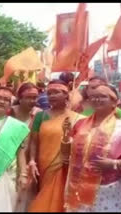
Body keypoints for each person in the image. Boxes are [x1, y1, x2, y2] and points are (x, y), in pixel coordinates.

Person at [63, 84, 121, 212]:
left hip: (108, 191)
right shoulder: (79, 125)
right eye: (93, 97)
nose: (96, 99)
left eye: (102, 96)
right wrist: (65, 134)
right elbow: (66, 155)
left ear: (114, 102)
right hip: (78, 189)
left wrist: (115, 163)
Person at [28, 80, 84, 212]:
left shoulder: (78, 119)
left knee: (63, 197)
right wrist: (31, 160)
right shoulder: (40, 116)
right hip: (44, 165)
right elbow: (34, 142)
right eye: (49, 93)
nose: (51, 96)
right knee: (44, 195)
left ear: (66, 95)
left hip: (67, 165)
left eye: (56, 92)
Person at [10, 82, 41, 211]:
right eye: (28, 97)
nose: (32, 100)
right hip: (10, 157)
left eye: (35, 97)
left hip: (31, 158)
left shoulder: (39, 114)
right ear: (20, 97)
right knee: (11, 191)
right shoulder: (10, 112)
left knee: (27, 193)